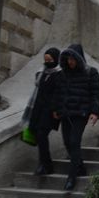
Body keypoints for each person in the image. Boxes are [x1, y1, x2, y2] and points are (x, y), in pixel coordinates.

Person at [54, 44, 99, 191]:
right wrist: (56, 109)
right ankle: (80, 167)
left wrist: (94, 112)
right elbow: (58, 93)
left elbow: (96, 93)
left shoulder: (91, 72)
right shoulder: (63, 74)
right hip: (66, 114)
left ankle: (71, 177)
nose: (70, 62)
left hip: (81, 114)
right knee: (67, 142)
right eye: (68, 59)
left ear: (79, 58)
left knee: (74, 142)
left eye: (73, 59)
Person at [26, 47, 62, 176]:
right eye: (46, 60)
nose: (47, 62)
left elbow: (59, 93)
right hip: (38, 109)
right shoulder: (41, 73)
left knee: (42, 134)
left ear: (56, 59)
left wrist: (56, 109)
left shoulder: (60, 74)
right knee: (38, 135)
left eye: (50, 60)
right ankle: (44, 163)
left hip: (50, 111)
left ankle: (45, 164)